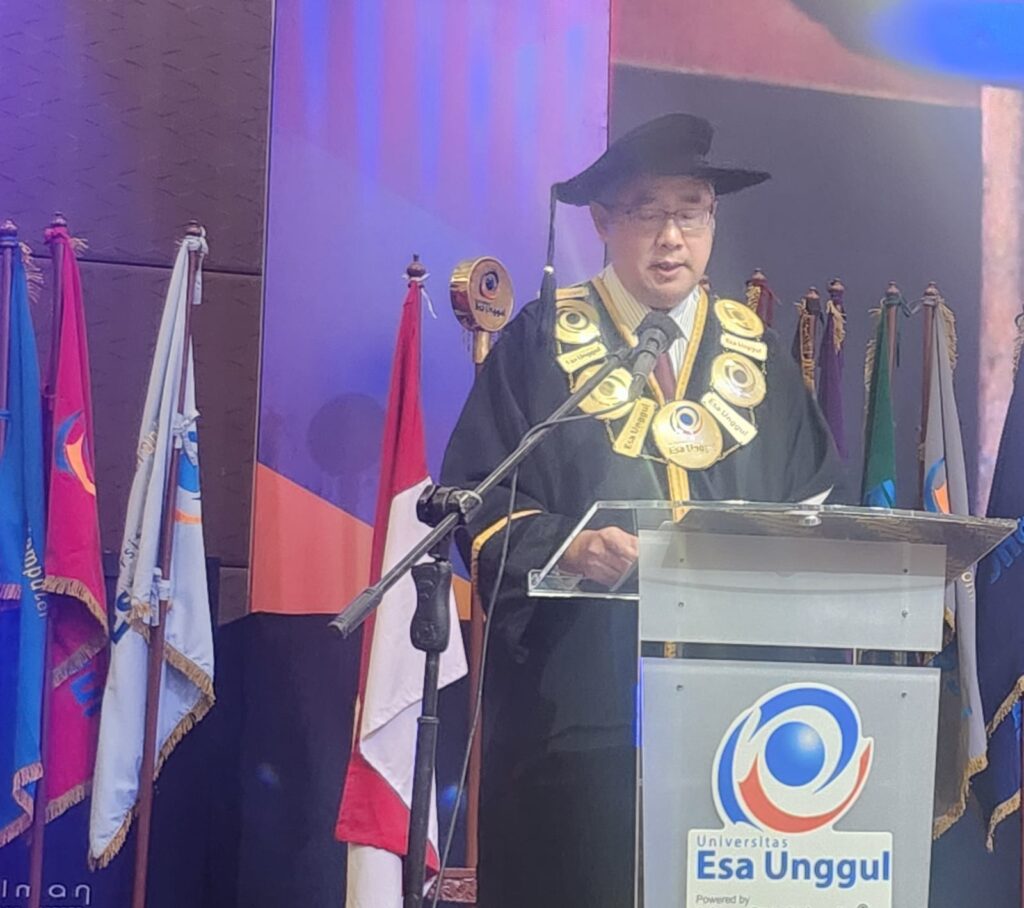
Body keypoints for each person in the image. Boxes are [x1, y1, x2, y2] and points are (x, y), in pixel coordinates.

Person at [440, 113, 840, 907]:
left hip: (739, 724)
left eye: (691, 212)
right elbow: (478, 499)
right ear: (601, 222)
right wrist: (571, 547)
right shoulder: (543, 345)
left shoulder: (760, 357)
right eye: (647, 211)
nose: (671, 237)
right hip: (578, 720)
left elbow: (816, 515)